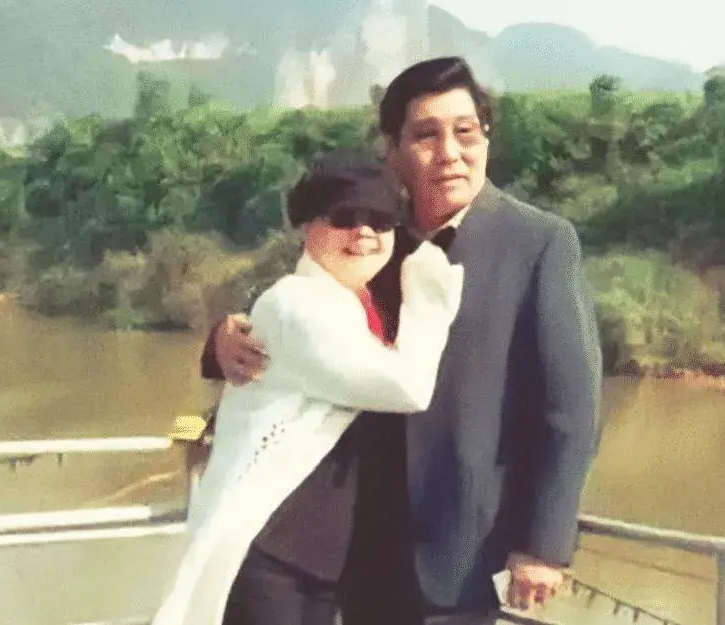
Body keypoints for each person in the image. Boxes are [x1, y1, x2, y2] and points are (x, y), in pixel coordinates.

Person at [204, 56, 602, 622]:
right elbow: (293, 308)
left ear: (486, 138)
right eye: (426, 135)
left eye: (465, 132)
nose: (449, 152)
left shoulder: (538, 242)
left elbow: (571, 409)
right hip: (351, 542)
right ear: (393, 150)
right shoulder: (371, 231)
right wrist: (221, 342)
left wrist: (544, 544)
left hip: (461, 549)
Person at [152, 150, 464, 625]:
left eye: (380, 220)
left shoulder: (352, 301)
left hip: (323, 556)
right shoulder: (296, 305)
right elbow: (407, 387)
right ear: (306, 227)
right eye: (344, 217)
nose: (364, 232)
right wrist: (430, 290)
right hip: (270, 551)